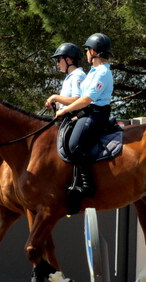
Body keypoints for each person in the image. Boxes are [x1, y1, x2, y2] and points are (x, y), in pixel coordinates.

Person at [50, 33, 114, 200]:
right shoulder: (94, 72)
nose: (85, 53)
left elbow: (86, 99)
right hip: (87, 112)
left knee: (74, 144)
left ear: (93, 51)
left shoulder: (102, 73)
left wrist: (64, 110)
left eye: (87, 50)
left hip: (97, 114)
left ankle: (86, 185)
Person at [45, 43, 86, 111]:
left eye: (58, 60)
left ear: (68, 60)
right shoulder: (70, 77)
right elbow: (65, 104)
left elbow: (77, 100)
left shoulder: (77, 76)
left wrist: (55, 97)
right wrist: (55, 105)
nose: (57, 64)